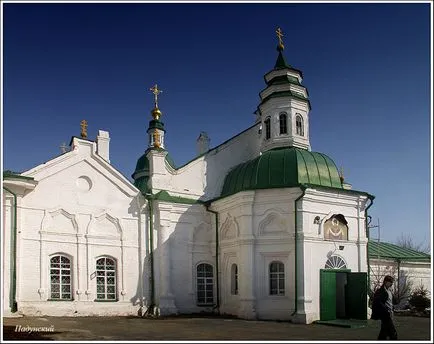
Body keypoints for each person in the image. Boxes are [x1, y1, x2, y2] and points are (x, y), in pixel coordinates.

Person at [371, 275, 398, 340]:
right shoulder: (381, 291)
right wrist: (386, 310)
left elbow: (392, 301)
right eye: (390, 282)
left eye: (392, 282)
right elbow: (378, 302)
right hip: (385, 314)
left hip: (390, 313)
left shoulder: (390, 291)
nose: (391, 284)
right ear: (385, 282)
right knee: (393, 333)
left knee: (384, 332)